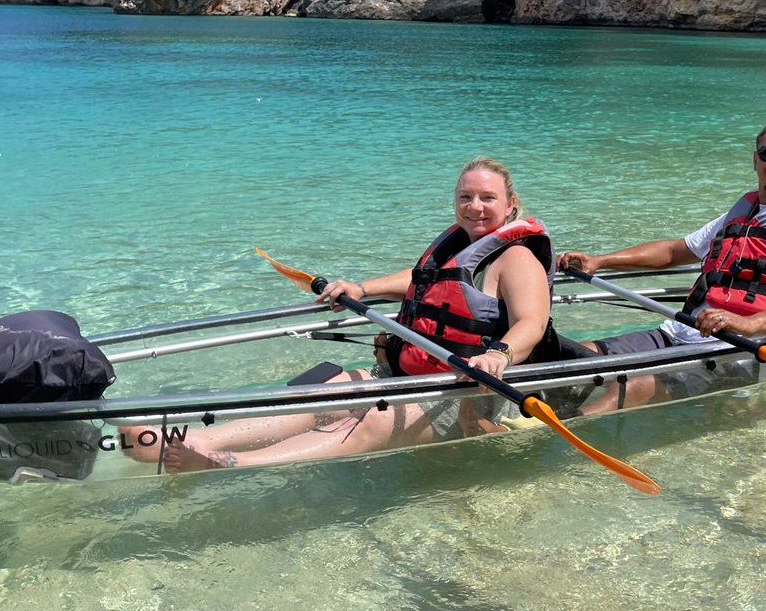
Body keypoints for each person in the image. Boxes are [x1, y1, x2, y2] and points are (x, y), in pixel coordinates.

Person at [162, 157, 560, 470]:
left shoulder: (516, 256)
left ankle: (234, 463)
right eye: (464, 197)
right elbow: (424, 281)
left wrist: (497, 355)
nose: (474, 207)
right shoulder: (460, 246)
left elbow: (532, 322)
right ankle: (201, 440)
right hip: (412, 373)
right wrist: (362, 289)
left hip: (471, 388)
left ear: (510, 205)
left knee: (368, 421)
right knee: (329, 391)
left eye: (487, 198)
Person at [556, 120, 766, 410]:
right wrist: (600, 261)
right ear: (755, 159)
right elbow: (673, 251)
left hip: (738, 350)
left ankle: (554, 439)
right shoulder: (745, 214)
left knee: (634, 386)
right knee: (577, 356)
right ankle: (527, 410)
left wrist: (748, 323)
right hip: (681, 332)